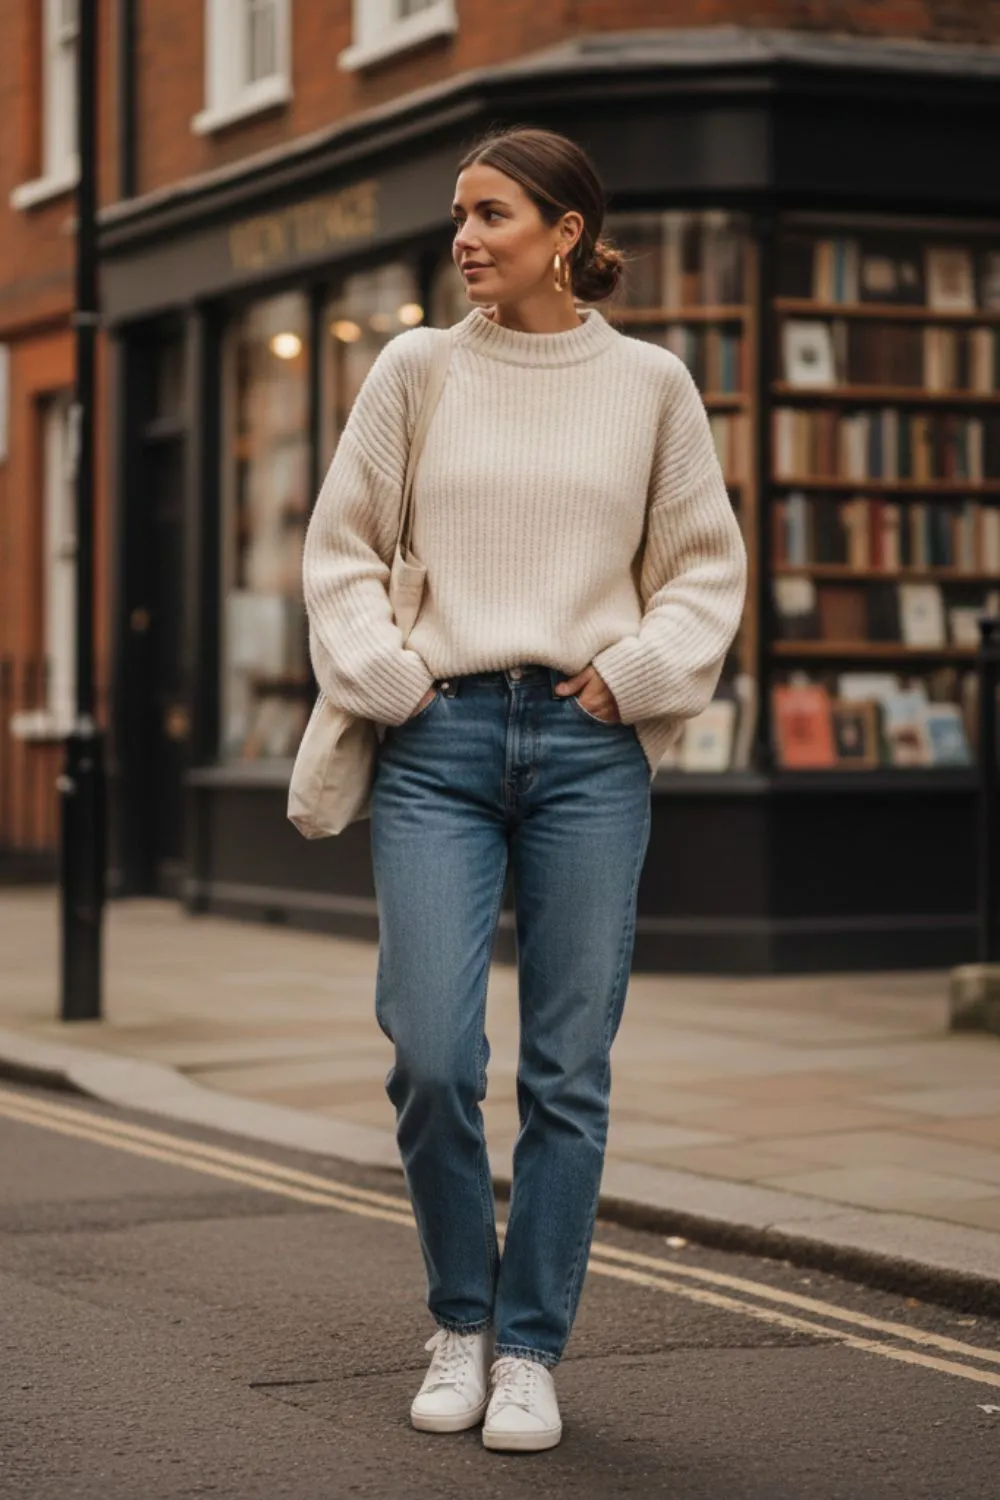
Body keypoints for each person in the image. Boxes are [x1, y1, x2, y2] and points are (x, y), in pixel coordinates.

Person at [302, 126, 747, 1452]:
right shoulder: (415, 370)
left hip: (585, 748)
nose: (465, 237)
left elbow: (703, 573)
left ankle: (531, 1350)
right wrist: (391, 681)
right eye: (458, 216)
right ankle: (459, 1317)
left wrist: (639, 667)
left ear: (567, 232)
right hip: (435, 744)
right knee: (435, 1057)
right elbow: (341, 554)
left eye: (492, 214)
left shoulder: (653, 385)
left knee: (568, 1069)